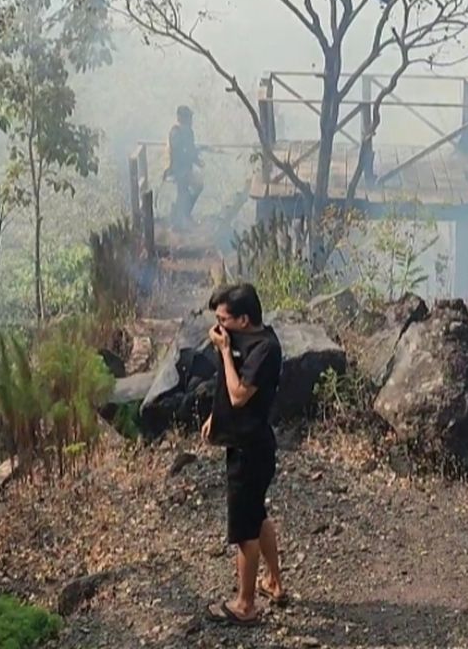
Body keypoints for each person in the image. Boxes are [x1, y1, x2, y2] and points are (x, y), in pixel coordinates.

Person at [200, 283, 286, 625]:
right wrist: (214, 417)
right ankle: (274, 582)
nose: (218, 326)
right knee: (258, 514)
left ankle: (245, 605)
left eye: (223, 319)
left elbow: (238, 394)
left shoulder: (265, 349)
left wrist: (222, 350)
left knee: (245, 533)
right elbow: (226, 388)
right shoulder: (239, 337)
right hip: (243, 442)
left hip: (251, 449)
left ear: (244, 319)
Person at [165, 104, 204, 229]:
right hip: (179, 170)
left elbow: (189, 150)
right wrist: (195, 159)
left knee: (184, 193)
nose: (191, 120)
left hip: (183, 169)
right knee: (191, 189)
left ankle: (180, 217)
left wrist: (196, 158)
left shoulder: (182, 131)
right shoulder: (178, 132)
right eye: (189, 117)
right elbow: (179, 151)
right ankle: (181, 217)